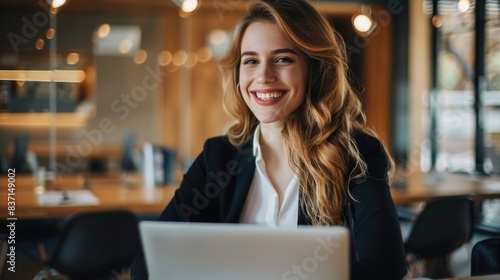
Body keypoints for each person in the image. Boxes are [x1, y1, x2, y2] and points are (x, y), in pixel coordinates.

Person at [131, 0, 407, 279]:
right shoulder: (218, 157)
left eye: (282, 59)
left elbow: (386, 268)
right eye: (251, 61)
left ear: (314, 68)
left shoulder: (357, 154)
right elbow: (147, 265)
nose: (263, 76)